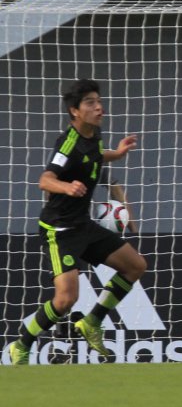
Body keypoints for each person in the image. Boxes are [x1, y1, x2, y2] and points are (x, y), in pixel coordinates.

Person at [8, 79, 146, 364]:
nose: (99, 107)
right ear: (75, 111)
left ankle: (92, 321)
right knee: (66, 299)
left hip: (82, 224)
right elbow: (45, 179)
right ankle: (21, 345)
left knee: (135, 266)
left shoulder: (94, 135)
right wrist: (67, 187)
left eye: (98, 100)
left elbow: (94, 156)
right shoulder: (67, 142)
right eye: (90, 103)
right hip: (59, 229)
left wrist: (117, 154)